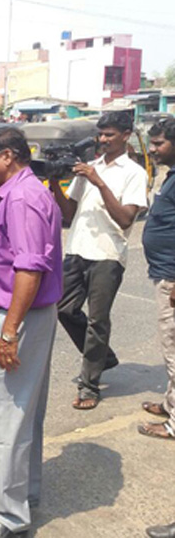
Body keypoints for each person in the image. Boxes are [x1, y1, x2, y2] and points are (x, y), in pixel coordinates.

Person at [0, 125, 62, 538]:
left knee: (5, 415)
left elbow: (28, 270)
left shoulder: (23, 197)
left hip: (18, 315)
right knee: (22, 412)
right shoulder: (24, 191)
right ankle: (24, 493)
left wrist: (8, 333)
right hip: (26, 315)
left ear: (8, 156)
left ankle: (9, 517)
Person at [49, 111, 148, 410]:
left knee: (97, 320)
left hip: (107, 254)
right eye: (101, 134)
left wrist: (100, 182)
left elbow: (125, 219)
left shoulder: (134, 173)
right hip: (78, 250)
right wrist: (54, 183)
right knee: (63, 308)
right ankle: (103, 357)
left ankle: (89, 384)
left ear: (126, 135)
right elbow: (68, 213)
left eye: (110, 135)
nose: (103, 140)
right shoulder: (89, 167)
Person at [137, 117, 175, 443]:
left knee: (174, 349)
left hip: (172, 279)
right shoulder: (170, 177)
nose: (152, 149)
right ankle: (170, 404)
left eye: (159, 143)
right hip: (164, 274)